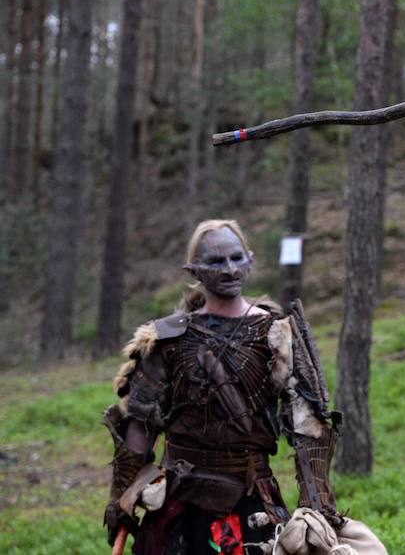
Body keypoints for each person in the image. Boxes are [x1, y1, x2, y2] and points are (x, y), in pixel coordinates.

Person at [103, 219, 387, 555]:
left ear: (250, 260)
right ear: (193, 269)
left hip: (250, 498)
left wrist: (317, 507)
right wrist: (120, 499)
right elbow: (140, 425)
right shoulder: (166, 339)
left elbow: (308, 426)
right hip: (179, 504)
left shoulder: (277, 332)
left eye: (236, 258)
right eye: (215, 261)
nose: (228, 269)